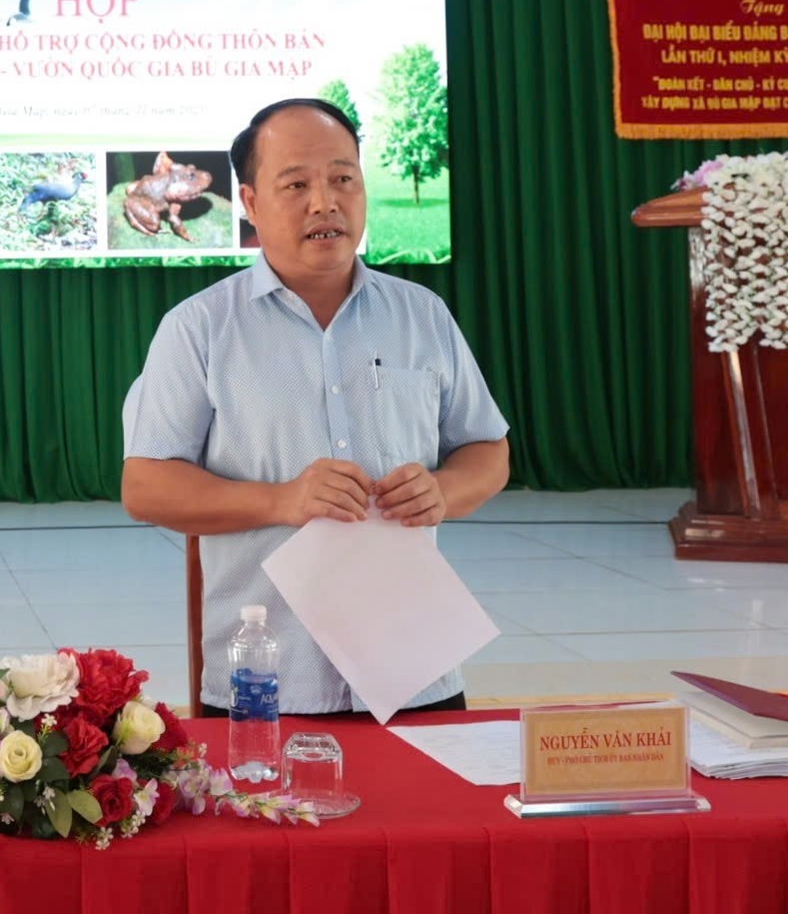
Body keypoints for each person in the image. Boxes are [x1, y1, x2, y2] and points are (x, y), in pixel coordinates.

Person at [122, 98, 510, 717]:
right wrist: (281, 501)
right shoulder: (199, 328)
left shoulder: (422, 315)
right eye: (297, 184)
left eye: (343, 179)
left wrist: (444, 490)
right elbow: (146, 486)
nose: (325, 202)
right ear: (250, 203)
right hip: (268, 679)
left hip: (417, 670)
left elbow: (487, 449)